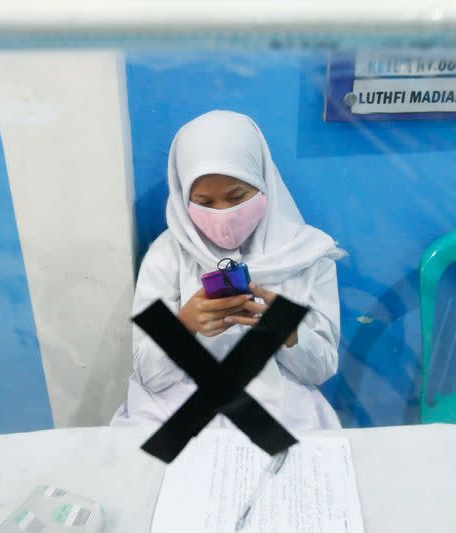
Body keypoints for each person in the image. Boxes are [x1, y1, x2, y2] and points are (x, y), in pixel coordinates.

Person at [111, 110, 345, 431]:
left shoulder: (309, 255)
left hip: (279, 407)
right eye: (205, 202)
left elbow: (321, 369)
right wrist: (184, 326)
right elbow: (149, 374)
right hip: (179, 405)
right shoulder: (167, 255)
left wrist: (287, 332)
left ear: (263, 183)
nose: (223, 213)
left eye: (237, 196)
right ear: (183, 198)